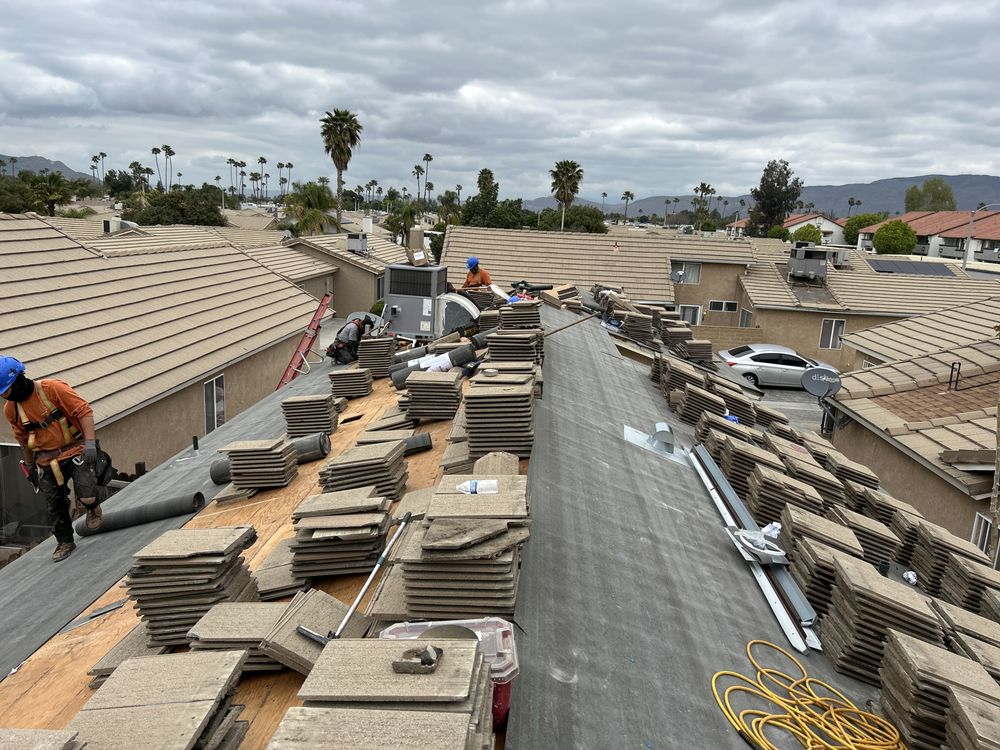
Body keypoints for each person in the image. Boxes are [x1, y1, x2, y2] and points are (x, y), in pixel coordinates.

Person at [0, 356, 104, 562]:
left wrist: (90, 443)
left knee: (87, 495)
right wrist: (30, 465)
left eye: (5, 391)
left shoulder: (52, 389)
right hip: (47, 460)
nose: (4, 397)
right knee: (54, 505)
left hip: (75, 449)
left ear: (18, 381)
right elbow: (23, 440)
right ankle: (65, 541)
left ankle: (92, 507)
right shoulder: (11, 409)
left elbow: (84, 411)